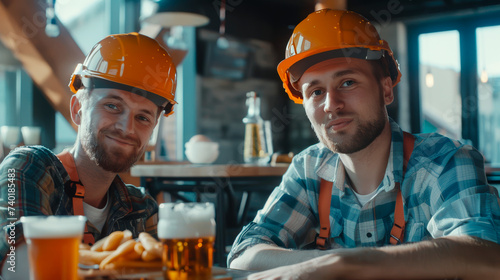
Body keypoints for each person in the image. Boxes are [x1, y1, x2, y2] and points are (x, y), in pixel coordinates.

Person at [228, 9, 500, 279]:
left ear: (386, 89)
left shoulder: (445, 161)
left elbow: (486, 257)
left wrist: (349, 265)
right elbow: (243, 254)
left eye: (347, 82)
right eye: (316, 91)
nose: (331, 104)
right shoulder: (308, 168)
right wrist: (322, 263)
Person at [0, 32, 177, 276]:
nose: (127, 128)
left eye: (143, 117)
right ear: (77, 110)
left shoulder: (143, 209)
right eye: (112, 106)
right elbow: (17, 271)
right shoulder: (28, 168)